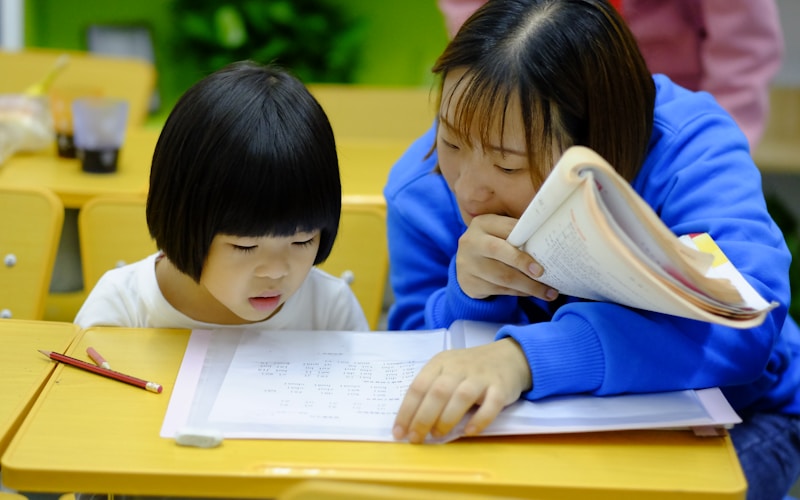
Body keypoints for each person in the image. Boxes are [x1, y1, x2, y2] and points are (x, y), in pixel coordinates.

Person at [384, 1, 800, 499]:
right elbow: (407, 357)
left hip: (740, 419)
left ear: (598, 143)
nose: (469, 190)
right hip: (532, 434)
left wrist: (523, 359)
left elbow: (743, 325)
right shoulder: (421, 188)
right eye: (451, 141)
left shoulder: (689, 147)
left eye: (509, 166)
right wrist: (467, 297)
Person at [74, 61, 368, 332]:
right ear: (182, 219)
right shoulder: (122, 310)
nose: (276, 271)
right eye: (245, 245)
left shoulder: (331, 311)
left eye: (303, 241)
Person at [437, 0, 784, 149]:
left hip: (671, 123)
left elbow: (743, 49)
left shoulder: (687, 141)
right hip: (533, 112)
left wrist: (716, 147)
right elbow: (479, 26)